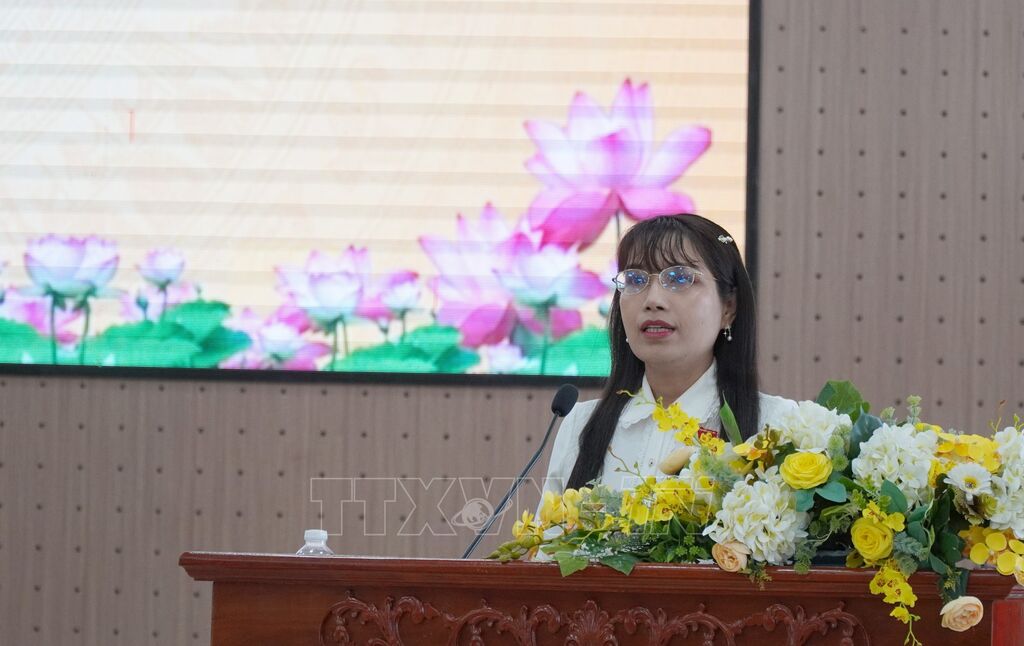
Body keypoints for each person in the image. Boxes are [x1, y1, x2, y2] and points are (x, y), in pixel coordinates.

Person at [541, 214, 796, 497]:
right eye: (635, 279)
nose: (653, 301)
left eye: (679, 278)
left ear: (729, 307)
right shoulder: (580, 425)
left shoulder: (777, 426)